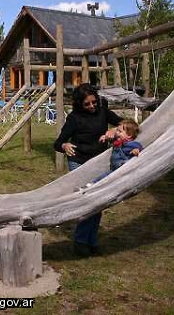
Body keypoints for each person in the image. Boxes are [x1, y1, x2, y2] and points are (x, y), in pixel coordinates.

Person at [54, 83, 123, 257]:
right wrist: (64, 145)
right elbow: (58, 142)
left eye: (94, 102)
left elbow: (128, 125)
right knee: (87, 202)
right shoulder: (74, 118)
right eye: (87, 104)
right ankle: (81, 241)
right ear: (79, 104)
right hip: (79, 162)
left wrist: (115, 129)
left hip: (99, 162)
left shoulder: (102, 111)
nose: (92, 106)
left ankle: (91, 240)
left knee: (98, 201)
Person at [77, 118, 143, 192]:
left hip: (122, 170)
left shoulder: (130, 144)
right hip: (113, 169)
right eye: (117, 130)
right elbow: (113, 139)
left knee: (106, 181)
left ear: (129, 136)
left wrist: (136, 150)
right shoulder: (118, 141)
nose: (116, 132)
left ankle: (92, 188)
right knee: (101, 177)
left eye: (120, 131)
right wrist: (105, 137)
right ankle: (89, 186)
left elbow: (139, 146)